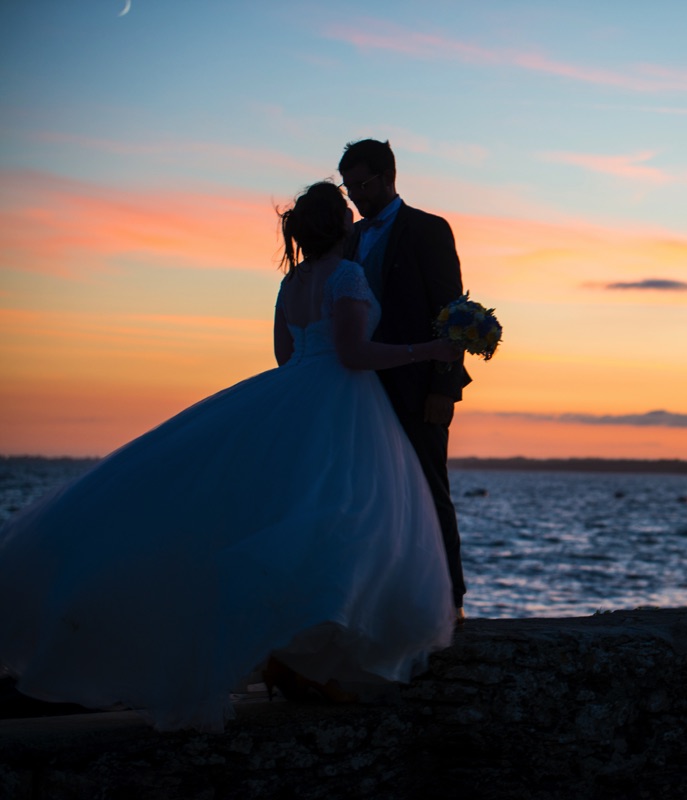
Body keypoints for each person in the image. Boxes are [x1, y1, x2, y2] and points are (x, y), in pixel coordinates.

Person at [0, 181, 460, 732]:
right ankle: (308, 652)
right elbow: (353, 354)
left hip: (291, 396)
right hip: (342, 403)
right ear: (341, 228)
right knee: (346, 517)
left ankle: (293, 659)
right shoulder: (348, 276)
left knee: (291, 514)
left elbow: (284, 354)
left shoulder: (292, 283)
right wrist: (428, 350)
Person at [338, 139, 470, 619]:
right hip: (361, 386)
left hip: (418, 385)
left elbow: (452, 311)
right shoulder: (349, 239)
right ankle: (384, 604)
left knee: (430, 489)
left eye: (361, 184)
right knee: (372, 494)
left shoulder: (428, 230)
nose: (354, 195)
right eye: (348, 186)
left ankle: (451, 603)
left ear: (388, 177)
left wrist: (443, 386)